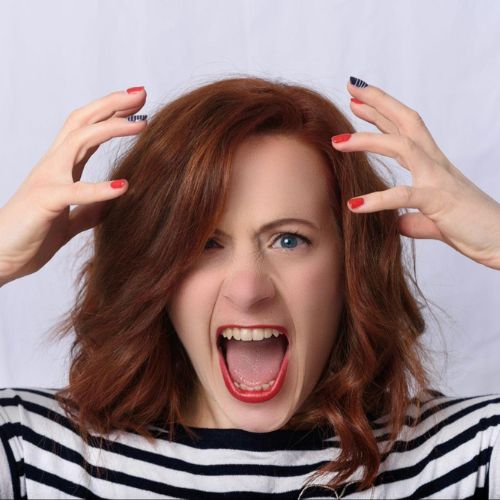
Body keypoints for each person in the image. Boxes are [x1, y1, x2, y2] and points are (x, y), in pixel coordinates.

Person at [0, 76, 499, 499]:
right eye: (204, 244)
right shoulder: (34, 454)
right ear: (155, 269)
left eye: (288, 239)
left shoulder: (462, 457)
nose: (248, 289)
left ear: (351, 264)